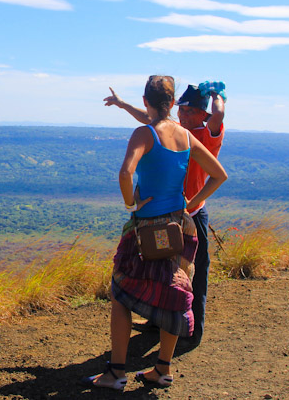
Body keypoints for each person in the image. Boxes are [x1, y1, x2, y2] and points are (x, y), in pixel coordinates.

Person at [83, 75, 227, 390]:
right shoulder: (186, 137)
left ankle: (116, 372)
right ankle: (161, 369)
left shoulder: (144, 134)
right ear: (173, 104)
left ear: (147, 102)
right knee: (174, 292)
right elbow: (219, 174)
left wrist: (130, 202)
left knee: (121, 294)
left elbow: (125, 172)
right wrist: (193, 202)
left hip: (146, 228)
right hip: (179, 226)